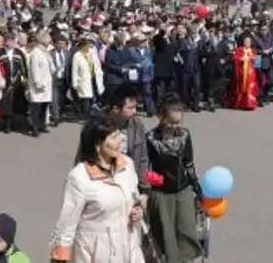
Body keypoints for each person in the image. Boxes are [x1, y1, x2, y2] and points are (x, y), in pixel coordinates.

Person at [50, 116, 145, 263]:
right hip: (96, 252)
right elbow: (67, 224)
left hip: (129, 247)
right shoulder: (79, 177)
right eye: (113, 138)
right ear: (97, 144)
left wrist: (138, 210)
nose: (119, 142)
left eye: (119, 136)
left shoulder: (127, 165)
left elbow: (133, 198)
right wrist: (60, 257)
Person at [145, 95, 204, 263]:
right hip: (161, 193)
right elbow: (145, 167)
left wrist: (197, 189)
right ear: (161, 117)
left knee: (187, 232)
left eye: (178, 123)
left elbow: (189, 164)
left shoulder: (184, 135)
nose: (174, 127)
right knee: (166, 235)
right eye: (170, 122)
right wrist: (148, 183)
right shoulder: (150, 138)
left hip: (182, 190)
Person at [73, 84, 149, 191]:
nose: (134, 111)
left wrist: (144, 187)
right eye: (130, 108)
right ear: (116, 109)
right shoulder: (96, 126)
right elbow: (83, 155)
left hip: (128, 183)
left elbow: (143, 158)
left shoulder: (137, 125)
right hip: (101, 185)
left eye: (135, 107)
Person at [27, 30, 53, 136]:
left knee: (44, 106)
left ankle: (41, 125)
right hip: (39, 84)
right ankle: (34, 127)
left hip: (47, 83)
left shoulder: (45, 52)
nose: (50, 41)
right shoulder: (36, 53)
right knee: (36, 107)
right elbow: (35, 69)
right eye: (48, 39)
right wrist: (37, 82)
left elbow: (51, 67)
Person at [228, 35, 259, 111]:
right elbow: (234, 58)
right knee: (241, 87)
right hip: (241, 72)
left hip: (251, 73)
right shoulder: (239, 49)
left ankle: (249, 104)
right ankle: (241, 103)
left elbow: (257, 61)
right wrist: (240, 59)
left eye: (249, 42)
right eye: (246, 41)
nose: (247, 43)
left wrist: (254, 58)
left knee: (250, 87)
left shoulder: (253, 50)